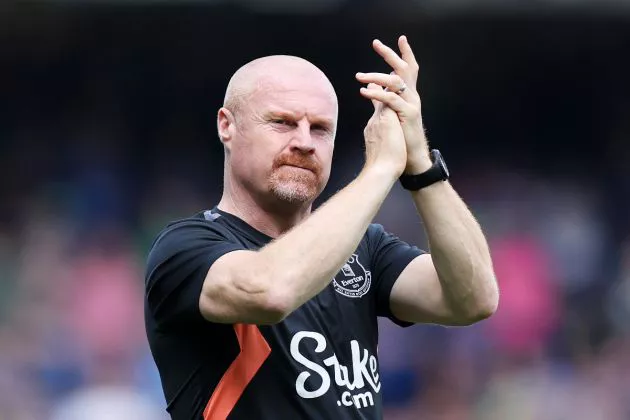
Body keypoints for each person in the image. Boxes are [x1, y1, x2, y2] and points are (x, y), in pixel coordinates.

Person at [144, 35, 499, 420]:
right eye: (282, 123)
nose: (304, 142)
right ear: (227, 126)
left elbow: (474, 298)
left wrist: (420, 164)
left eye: (320, 129)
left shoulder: (365, 248)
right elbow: (272, 291)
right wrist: (380, 168)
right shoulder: (184, 248)